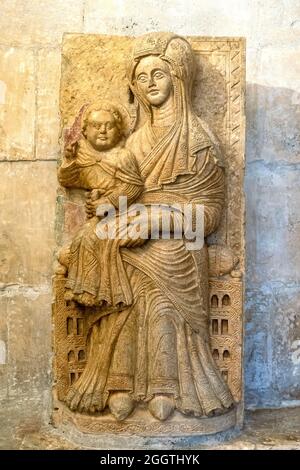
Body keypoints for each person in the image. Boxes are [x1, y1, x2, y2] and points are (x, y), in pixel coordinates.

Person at [65, 33, 234, 421]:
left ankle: (167, 385)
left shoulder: (201, 142)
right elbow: (128, 193)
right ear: (134, 87)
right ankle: (116, 381)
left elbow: (210, 216)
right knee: (110, 254)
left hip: (180, 238)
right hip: (134, 228)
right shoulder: (136, 142)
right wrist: (109, 206)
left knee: (158, 270)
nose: (151, 83)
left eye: (159, 73)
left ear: (177, 77)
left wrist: (160, 221)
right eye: (142, 78)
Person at [58, 101, 144, 308]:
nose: (103, 131)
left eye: (109, 126)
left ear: (120, 131)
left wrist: (107, 202)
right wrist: (70, 160)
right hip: (98, 214)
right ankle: (82, 288)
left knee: (90, 237)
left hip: (122, 212)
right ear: (85, 132)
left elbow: (133, 188)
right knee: (81, 239)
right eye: (96, 126)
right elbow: (69, 180)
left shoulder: (123, 157)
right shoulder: (84, 158)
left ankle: (95, 291)